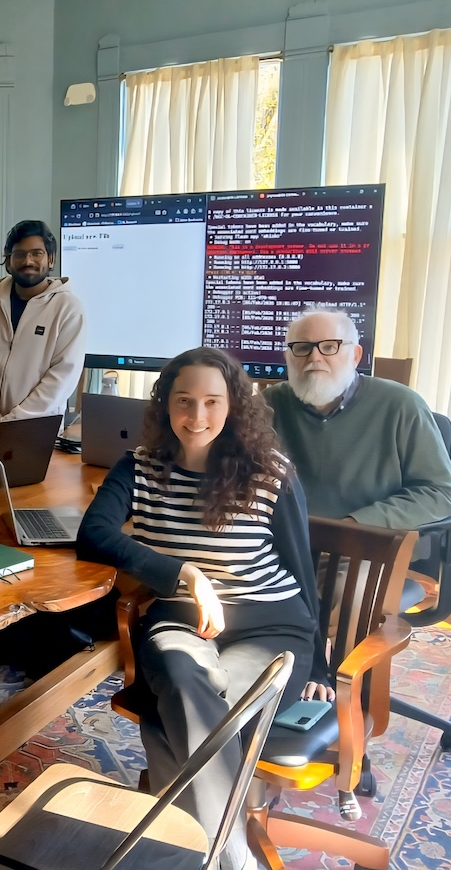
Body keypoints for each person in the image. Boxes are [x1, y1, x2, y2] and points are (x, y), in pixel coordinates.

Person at [77, 347, 332, 870]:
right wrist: (184, 574)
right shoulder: (140, 468)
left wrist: (324, 662)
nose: (197, 417)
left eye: (213, 402)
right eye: (184, 401)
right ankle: (232, 856)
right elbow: (93, 535)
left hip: (273, 623)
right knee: (180, 677)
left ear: (234, 406)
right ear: (164, 405)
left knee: (171, 712)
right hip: (181, 618)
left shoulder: (269, 472)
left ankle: (195, 852)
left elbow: (301, 570)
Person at [263, 307, 451, 528]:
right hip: (280, 539)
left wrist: (357, 525)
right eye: (302, 348)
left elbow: (440, 492)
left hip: (363, 543)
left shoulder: (401, 404)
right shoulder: (268, 403)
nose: (314, 357)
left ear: (355, 355)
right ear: (288, 357)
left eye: (329, 346)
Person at [0, 219, 87, 421]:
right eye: (19, 254)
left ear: (51, 259)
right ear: (8, 261)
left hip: (37, 430)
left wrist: (12, 422)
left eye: (37, 253)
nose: (28, 261)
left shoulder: (68, 309)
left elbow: (62, 377)